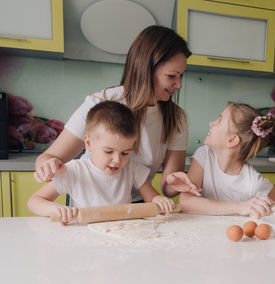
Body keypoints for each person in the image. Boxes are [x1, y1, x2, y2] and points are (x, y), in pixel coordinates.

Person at [34, 25, 200, 201]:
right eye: (172, 76)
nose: (179, 84)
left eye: (181, 76)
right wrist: (47, 166)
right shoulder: (100, 103)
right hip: (89, 203)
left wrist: (175, 183)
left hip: (135, 205)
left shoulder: (176, 118)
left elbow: (167, 187)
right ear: (146, 69)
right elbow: (49, 157)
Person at [28, 101, 175, 225]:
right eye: (109, 152)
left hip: (122, 236)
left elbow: (152, 199)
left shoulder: (132, 170)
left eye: (125, 153)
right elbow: (35, 201)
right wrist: (54, 209)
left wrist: (159, 200)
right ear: (89, 143)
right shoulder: (75, 171)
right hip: (84, 239)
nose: (118, 160)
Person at [167, 102, 275, 218]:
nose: (211, 123)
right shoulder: (204, 156)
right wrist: (241, 207)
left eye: (219, 120)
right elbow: (186, 202)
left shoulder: (252, 182)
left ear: (231, 140)